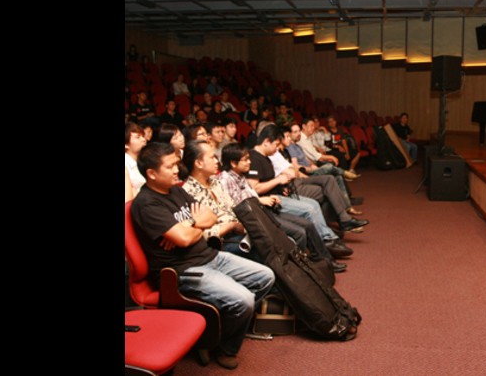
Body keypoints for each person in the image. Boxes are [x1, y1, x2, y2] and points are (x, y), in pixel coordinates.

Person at [130, 142, 275, 370]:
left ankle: (216, 332)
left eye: (177, 164)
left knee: (266, 276)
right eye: (170, 167)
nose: (177, 170)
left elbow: (210, 217)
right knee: (244, 300)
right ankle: (223, 346)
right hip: (182, 270)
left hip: (210, 255)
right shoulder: (147, 203)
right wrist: (190, 229)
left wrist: (188, 224)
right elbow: (185, 239)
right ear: (151, 173)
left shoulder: (176, 190)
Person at [217, 142, 351, 272]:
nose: (249, 163)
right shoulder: (225, 179)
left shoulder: (240, 176)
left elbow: (250, 195)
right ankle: (304, 268)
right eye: (245, 160)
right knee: (299, 232)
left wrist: (261, 199)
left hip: (263, 211)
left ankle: (325, 261)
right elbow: (233, 206)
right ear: (233, 163)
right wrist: (260, 200)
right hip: (255, 219)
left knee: (308, 224)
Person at [126, 123, 148, 196]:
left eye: (143, 136)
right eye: (138, 137)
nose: (143, 139)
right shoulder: (126, 163)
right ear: (126, 144)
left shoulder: (144, 159)